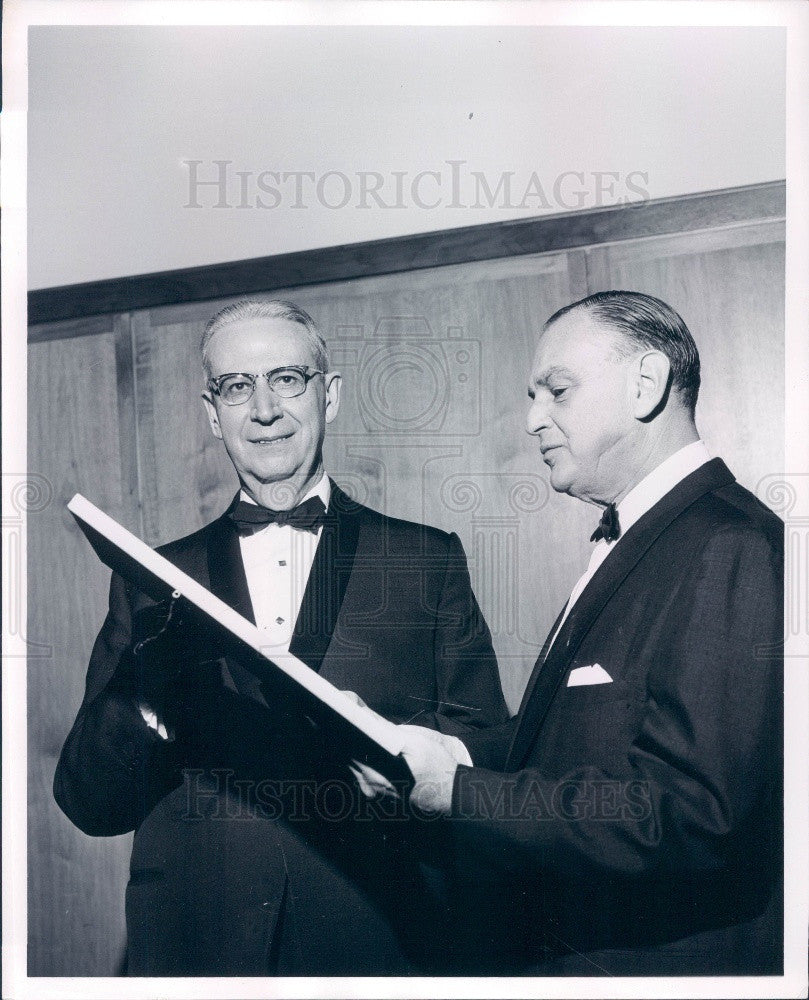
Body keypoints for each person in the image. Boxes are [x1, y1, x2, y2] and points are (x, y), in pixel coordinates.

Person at [54, 298, 509, 976]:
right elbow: (89, 803)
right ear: (213, 413)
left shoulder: (424, 560)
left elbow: (488, 757)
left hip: (380, 942)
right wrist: (144, 694)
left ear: (328, 396)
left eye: (287, 379)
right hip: (197, 949)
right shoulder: (151, 578)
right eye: (237, 387)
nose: (263, 408)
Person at [360, 290, 783, 976]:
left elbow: (691, 813)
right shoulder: (645, 536)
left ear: (645, 385)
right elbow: (577, 740)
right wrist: (442, 747)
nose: (532, 420)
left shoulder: (727, 544)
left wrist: (460, 793)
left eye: (556, 390)